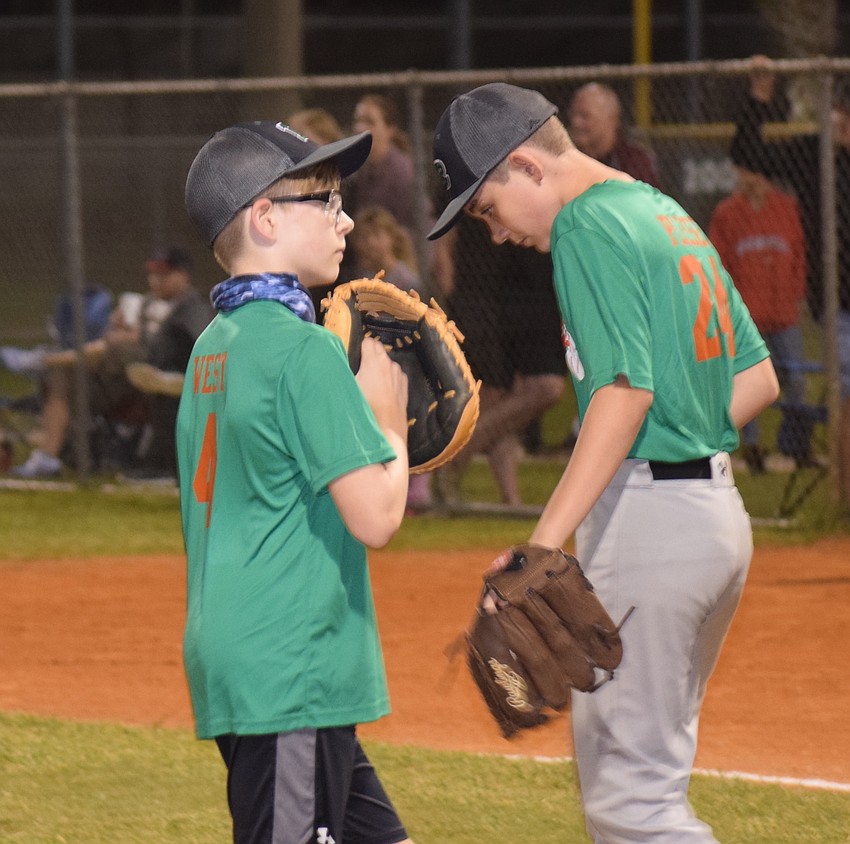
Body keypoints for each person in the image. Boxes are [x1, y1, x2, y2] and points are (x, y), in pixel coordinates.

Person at [427, 83, 779, 842]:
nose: (493, 233)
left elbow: (621, 395)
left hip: (651, 527)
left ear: (525, 164)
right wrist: (680, 436)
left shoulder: (586, 223)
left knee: (631, 808)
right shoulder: (660, 210)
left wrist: (541, 546)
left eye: (487, 207)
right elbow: (756, 378)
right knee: (648, 784)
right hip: (713, 521)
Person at [180, 120, 413, 844]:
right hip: (293, 665)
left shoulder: (212, 346)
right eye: (326, 200)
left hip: (249, 653)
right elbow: (375, 515)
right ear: (265, 215)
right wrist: (390, 419)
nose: (346, 219)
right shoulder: (302, 348)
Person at [733, 56, 850, 510]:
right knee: (846, 393)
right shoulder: (816, 154)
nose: (840, 121)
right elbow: (750, 154)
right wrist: (761, 99)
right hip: (840, 302)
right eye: (839, 111)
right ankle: (844, 505)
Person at [9, 247, 211, 479]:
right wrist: (118, 328)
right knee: (59, 377)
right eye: (152, 275)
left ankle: (39, 359)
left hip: (152, 379)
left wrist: (133, 337)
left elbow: (190, 346)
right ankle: (47, 458)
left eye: (163, 275)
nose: (155, 281)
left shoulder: (192, 308)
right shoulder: (146, 303)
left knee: (116, 350)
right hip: (118, 377)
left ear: (182, 274)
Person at [709, 134, 809, 473]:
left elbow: (798, 255)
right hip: (746, 316)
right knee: (747, 381)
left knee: (796, 379)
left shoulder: (785, 207)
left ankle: (796, 445)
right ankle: (751, 446)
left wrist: (794, 293)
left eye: (750, 170)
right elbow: (718, 262)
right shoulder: (727, 213)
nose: (745, 177)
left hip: (783, 313)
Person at [568, 81, 662, 189]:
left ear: (611, 119)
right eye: (573, 114)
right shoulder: (566, 158)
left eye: (585, 116)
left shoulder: (635, 160)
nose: (575, 122)